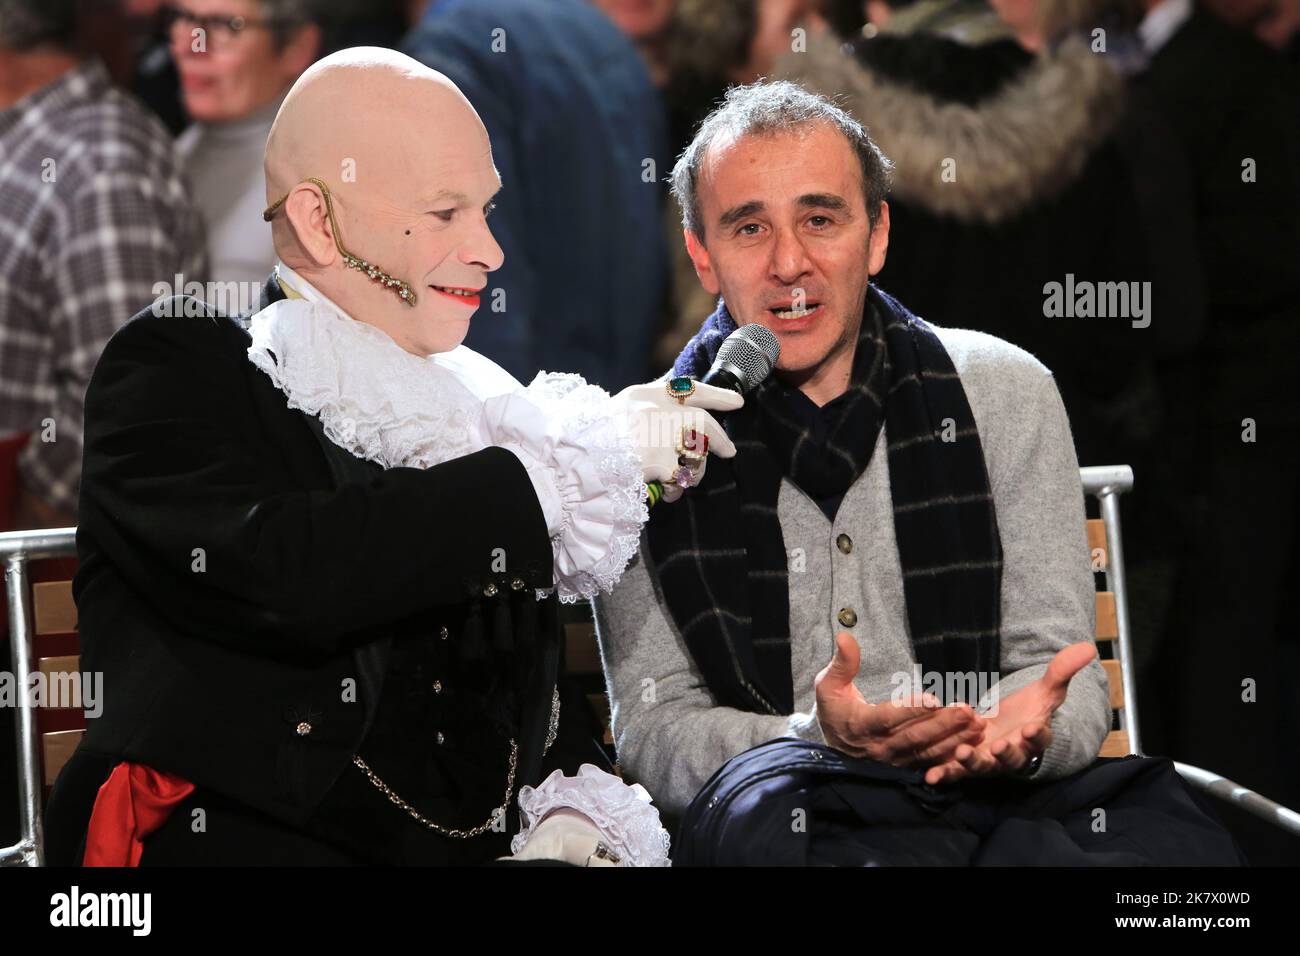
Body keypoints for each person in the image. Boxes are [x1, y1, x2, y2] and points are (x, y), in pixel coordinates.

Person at [43, 47, 736, 866]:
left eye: (486, 211)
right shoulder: (177, 366)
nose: (491, 251)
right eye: (446, 214)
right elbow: (294, 570)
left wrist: (569, 813)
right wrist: (565, 466)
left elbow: (526, 702)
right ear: (317, 219)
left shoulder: (481, 406)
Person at [593, 80, 1244, 865]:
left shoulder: (1005, 389)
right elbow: (653, 733)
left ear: (877, 235)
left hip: (1009, 808)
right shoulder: (644, 438)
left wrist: (1007, 738)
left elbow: (1060, 680)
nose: (789, 262)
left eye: (820, 219)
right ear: (702, 254)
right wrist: (817, 740)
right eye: (749, 227)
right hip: (793, 816)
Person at [0, 0, 206, 530]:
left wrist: (21, 540)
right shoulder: (38, 142)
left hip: (47, 567)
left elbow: (120, 395)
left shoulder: (100, 163)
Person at [401, 0, 669, 391]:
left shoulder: (451, 49)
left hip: (514, 410)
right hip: (610, 407)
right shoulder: (604, 34)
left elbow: (468, 265)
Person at [170, 0, 325, 286]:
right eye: (182, 18)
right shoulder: (171, 154)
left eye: (225, 25)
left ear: (296, 47)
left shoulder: (325, 172)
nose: (191, 46)